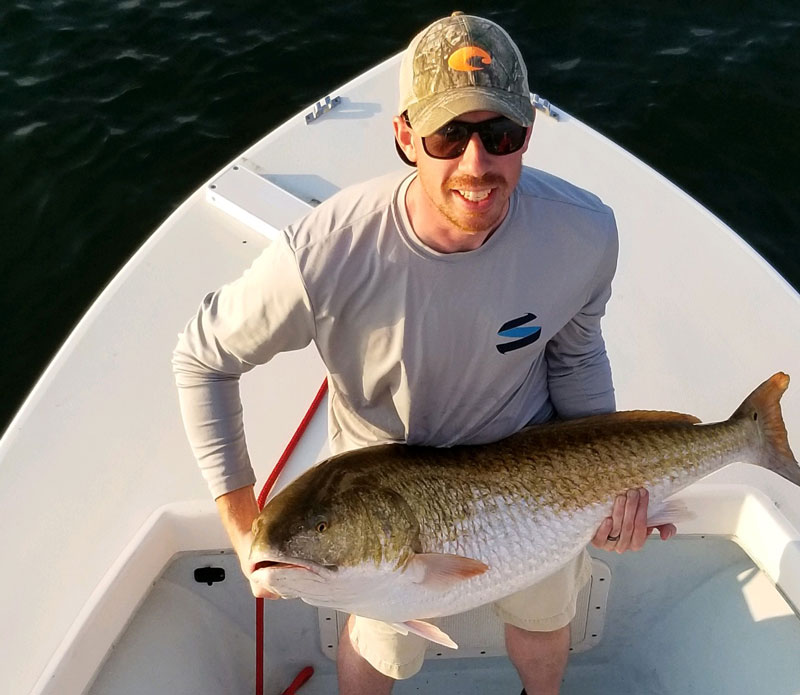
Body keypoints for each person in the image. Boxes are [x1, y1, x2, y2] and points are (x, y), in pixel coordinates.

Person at [173, 12, 676, 695]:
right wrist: (240, 520)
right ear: (406, 136)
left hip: (528, 474)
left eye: (500, 135)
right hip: (377, 495)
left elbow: (576, 355)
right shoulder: (324, 254)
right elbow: (203, 358)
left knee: (544, 615)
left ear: (527, 133)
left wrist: (613, 485)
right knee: (381, 648)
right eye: (449, 135)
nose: (477, 165)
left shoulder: (584, 233)